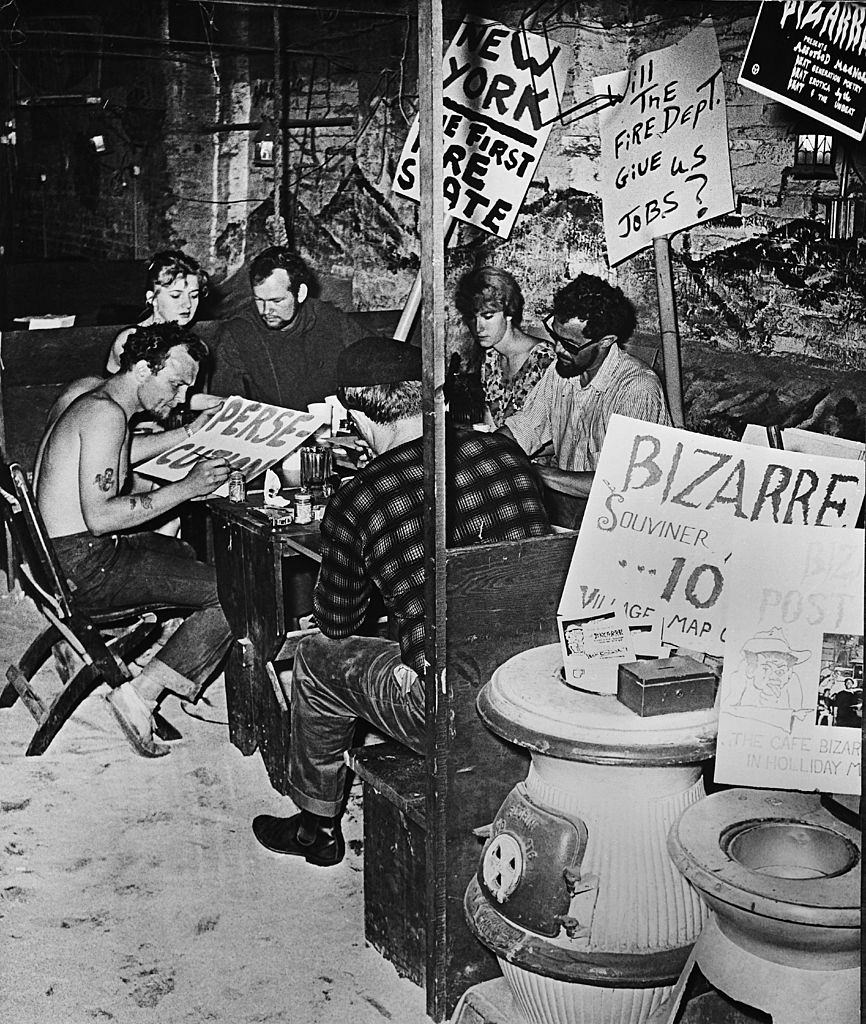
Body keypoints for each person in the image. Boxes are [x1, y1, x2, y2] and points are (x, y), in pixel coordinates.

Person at [251, 337, 551, 866]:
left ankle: (316, 824)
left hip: (451, 705)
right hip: (538, 680)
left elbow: (337, 623)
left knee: (318, 658)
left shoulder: (359, 496)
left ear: (356, 413)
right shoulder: (506, 453)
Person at [36, 322, 234, 758]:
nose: (180, 397)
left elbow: (127, 452)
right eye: (177, 383)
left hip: (61, 559)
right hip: (85, 567)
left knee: (178, 550)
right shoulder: (106, 416)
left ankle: (175, 651)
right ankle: (141, 694)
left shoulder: (101, 401)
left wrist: (189, 433)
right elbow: (103, 517)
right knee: (234, 593)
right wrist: (187, 486)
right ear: (145, 368)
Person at [499, 273, 671, 527]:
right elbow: (524, 428)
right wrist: (486, 450)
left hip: (618, 520)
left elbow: (625, 485)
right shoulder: (562, 373)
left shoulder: (636, 390)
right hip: (569, 512)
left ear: (605, 342)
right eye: (554, 336)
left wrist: (539, 473)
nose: (557, 350)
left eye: (569, 344)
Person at [34, 250, 219, 484]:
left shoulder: (192, 347)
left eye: (194, 295)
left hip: (166, 420)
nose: (187, 304)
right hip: (132, 429)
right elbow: (137, 400)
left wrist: (223, 405)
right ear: (151, 297)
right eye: (175, 295)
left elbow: (185, 397)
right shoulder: (132, 340)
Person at [210, 246, 366, 409]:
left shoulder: (328, 317)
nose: (266, 311)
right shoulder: (238, 332)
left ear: (301, 293)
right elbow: (225, 402)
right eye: (259, 300)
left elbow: (373, 352)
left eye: (276, 301)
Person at [454, 266, 554, 427]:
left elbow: (558, 434)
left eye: (488, 316)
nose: (478, 328)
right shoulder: (491, 357)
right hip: (500, 449)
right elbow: (490, 423)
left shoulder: (544, 359)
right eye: (473, 317)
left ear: (509, 311)